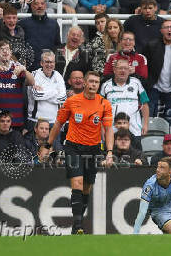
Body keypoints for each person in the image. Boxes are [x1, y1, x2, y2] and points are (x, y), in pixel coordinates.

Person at [40, 71, 114, 234]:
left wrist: (109, 152)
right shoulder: (72, 102)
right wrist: (48, 145)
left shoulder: (104, 104)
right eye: (91, 81)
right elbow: (58, 125)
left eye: (97, 82)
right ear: (85, 83)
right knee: (77, 183)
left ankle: (78, 220)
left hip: (94, 149)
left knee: (87, 187)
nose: (94, 84)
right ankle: (78, 224)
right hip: (73, 147)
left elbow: (108, 130)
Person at [0, 40, 35, 131]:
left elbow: (32, 82)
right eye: (2, 49)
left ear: (11, 53)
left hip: (15, 119)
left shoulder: (18, 67)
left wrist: (25, 70)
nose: (5, 51)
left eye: (7, 49)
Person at [101, 59, 149, 143]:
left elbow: (144, 104)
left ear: (129, 70)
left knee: (136, 155)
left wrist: (145, 124)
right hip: (112, 131)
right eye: (120, 68)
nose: (123, 70)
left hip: (134, 130)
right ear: (114, 70)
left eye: (125, 68)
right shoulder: (106, 85)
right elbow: (100, 109)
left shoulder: (136, 83)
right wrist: (102, 129)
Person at [18, 0, 61, 71]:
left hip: (48, 68)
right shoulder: (23, 24)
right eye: (36, 4)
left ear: (45, 6)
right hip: (28, 69)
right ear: (31, 6)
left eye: (42, 3)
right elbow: (19, 46)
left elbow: (57, 46)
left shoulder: (54, 24)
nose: (39, 6)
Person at [27, 51, 67, 126]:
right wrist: (55, 92)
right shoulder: (34, 75)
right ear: (41, 63)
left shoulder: (58, 76)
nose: (49, 65)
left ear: (54, 63)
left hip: (54, 121)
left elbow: (63, 98)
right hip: (36, 121)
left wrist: (44, 92)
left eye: (52, 62)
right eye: (47, 62)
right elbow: (36, 95)